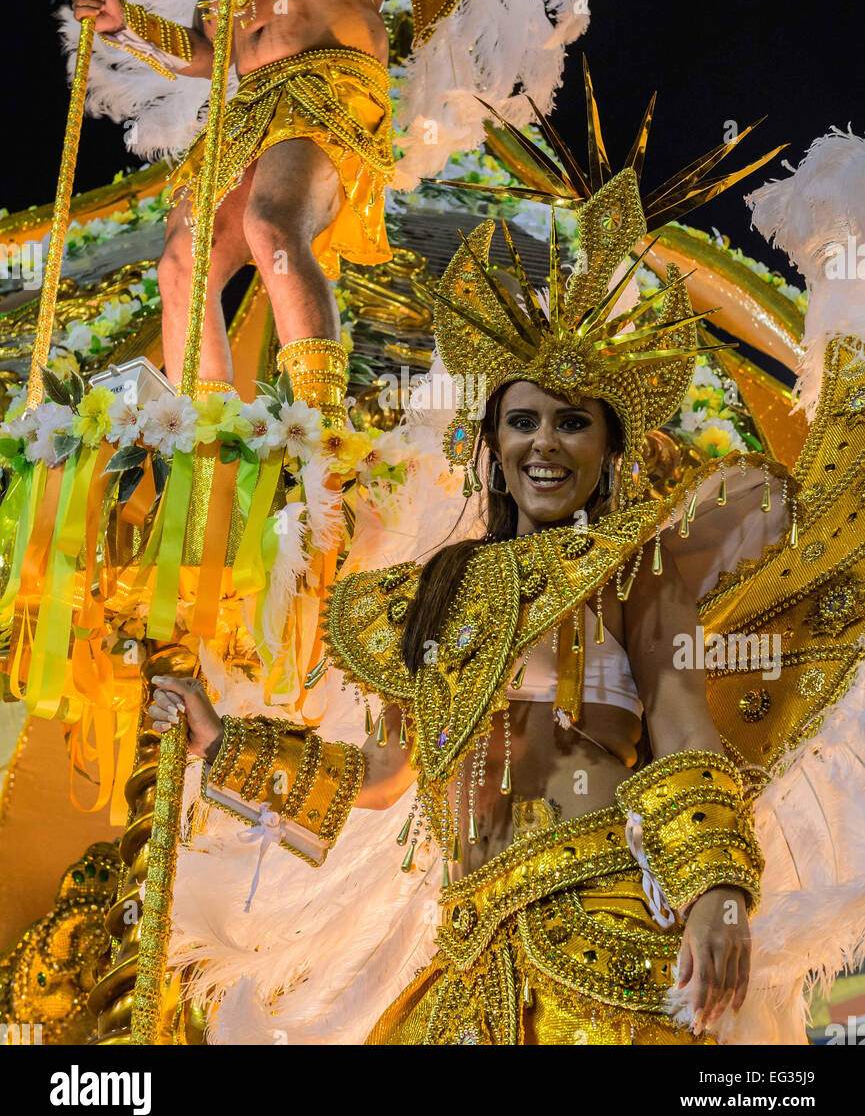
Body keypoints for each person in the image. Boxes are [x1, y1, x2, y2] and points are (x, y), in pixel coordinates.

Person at [147, 88, 778, 1044]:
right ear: (491, 443)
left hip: (600, 930)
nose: (546, 445)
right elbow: (390, 771)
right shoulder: (431, 589)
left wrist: (717, 896)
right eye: (523, 420)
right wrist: (220, 743)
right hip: (471, 950)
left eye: (574, 423)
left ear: (608, 449)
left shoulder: (633, 568)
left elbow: (686, 733)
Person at [69, 0, 451, 416]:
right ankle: (207, 442)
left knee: (272, 225)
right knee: (182, 262)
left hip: (329, 83)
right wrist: (126, 23)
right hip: (250, 102)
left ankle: (320, 441)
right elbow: (205, 49)